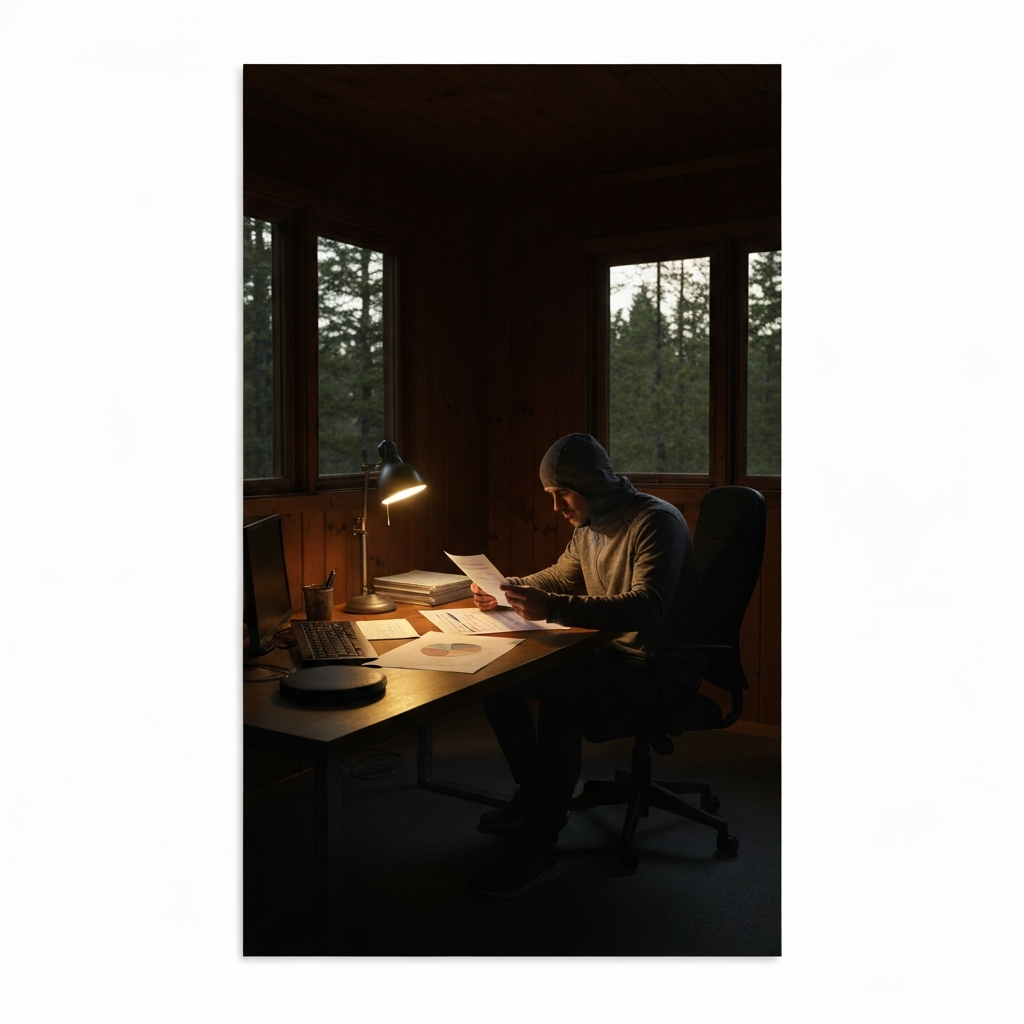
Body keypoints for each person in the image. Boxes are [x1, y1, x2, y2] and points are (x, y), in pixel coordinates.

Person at [469, 433, 699, 898]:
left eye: (561, 494)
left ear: (591, 484)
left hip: (657, 667)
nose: (556, 507)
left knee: (563, 698)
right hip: (610, 656)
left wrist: (550, 606)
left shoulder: (656, 522)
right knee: (495, 676)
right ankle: (534, 795)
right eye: (550, 496)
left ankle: (539, 847)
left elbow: (647, 607)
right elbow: (560, 575)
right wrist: (508, 588)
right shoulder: (589, 526)